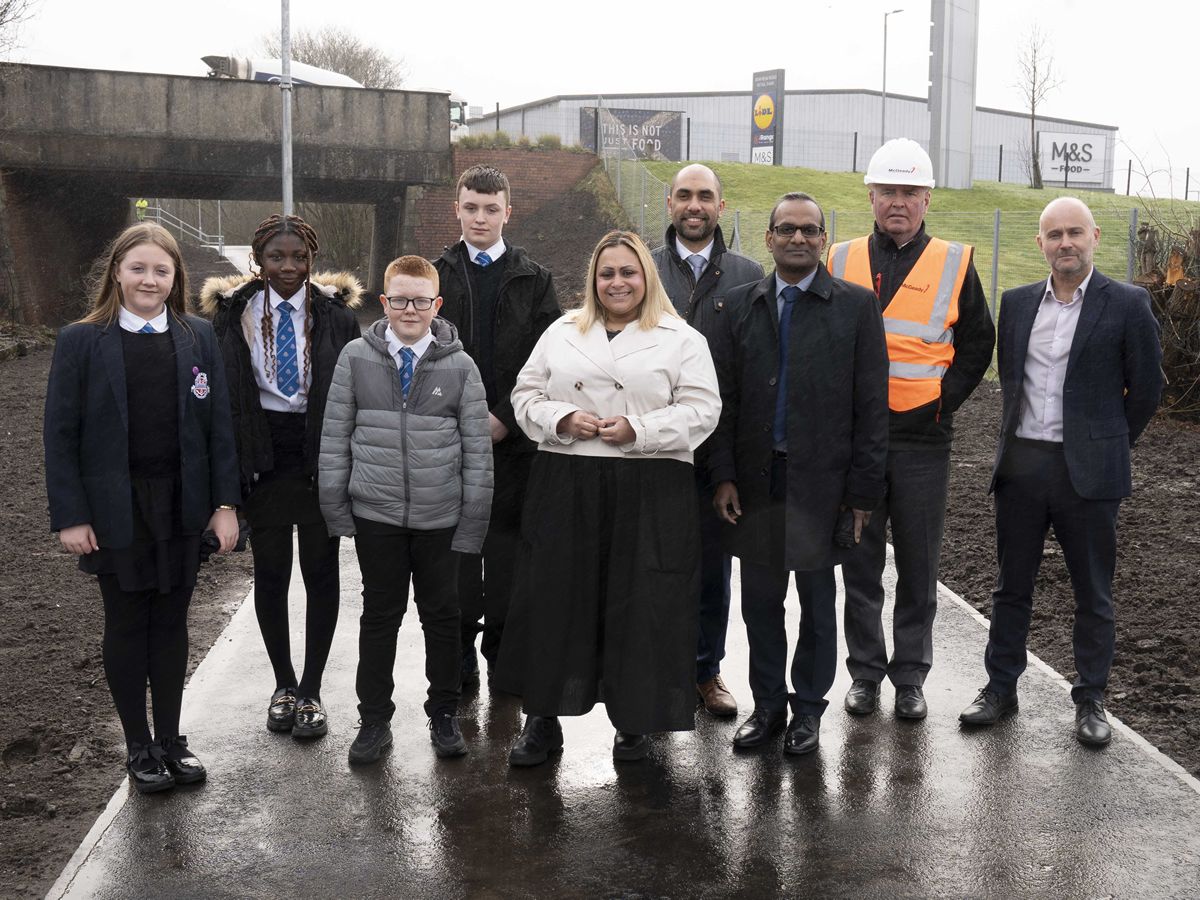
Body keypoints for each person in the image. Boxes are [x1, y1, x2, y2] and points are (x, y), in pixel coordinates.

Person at [495, 230, 721, 765]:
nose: (617, 282)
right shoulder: (561, 330)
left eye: (628, 272)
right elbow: (525, 395)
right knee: (556, 599)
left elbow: (703, 409)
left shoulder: (681, 337)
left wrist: (639, 431)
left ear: (646, 276)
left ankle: (636, 723)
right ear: (593, 281)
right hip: (566, 480)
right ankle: (543, 721)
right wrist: (563, 418)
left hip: (650, 486)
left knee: (640, 604)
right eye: (607, 273)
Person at [959, 197, 1163, 746]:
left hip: (1089, 475)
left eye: (1075, 232)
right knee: (1010, 587)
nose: (1065, 243)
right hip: (1023, 467)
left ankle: (1091, 699)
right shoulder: (1018, 303)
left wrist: (1108, 442)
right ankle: (1000, 688)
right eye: (1055, 234)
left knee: (1092, 591)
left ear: (1094, 236)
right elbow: (1012, 383)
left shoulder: (1127, 303)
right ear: (1040, 243)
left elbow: (1147, 389)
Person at [44, 223, 240, 793]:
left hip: (182, 505)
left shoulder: (198, 336)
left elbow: (218, 429)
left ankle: (173, 740)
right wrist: (72, 515)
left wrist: (225, 505)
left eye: (161, 270)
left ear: (176, 278)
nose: (149, 280)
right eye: (138, 269)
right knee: (128, 625)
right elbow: (61, 435)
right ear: (117, 274)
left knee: (172, 625)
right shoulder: (81, 340)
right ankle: (139, 746)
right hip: (115, 510)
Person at [708, 193, 889, 755]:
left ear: (824, 240)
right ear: (768, 238)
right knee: (760, 603)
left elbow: (871, 407)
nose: (799, 239)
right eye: (787, 229)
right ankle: (768, 706)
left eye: (811, 230)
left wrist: (861, 492)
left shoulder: (856, 307)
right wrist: (723, 475)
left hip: (824, 487)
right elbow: (724, 399)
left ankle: (808, 709)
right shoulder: (739, 306)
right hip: (759, 484)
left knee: (816, 603)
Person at [827, 138, 995, 721]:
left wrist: (944, 402)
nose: (898, 202)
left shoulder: (954, 261)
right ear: (870, 196)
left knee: (920, 565)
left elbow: (979, 341)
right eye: (888, 192)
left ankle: (911, 677)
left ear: (927, 199)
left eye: (909, 192)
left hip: (924, 440)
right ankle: (866, 675)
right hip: (857, 441)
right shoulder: (840, 257)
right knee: (861, 560)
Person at [319, 255, 493, 764]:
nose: (410, 309)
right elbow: (335, 437)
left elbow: (478, 454)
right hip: (377, 516)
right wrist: (338, 509)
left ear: (437, 304)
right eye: (400, 299)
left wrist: (472, 522)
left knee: (442, 617)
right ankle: (373, 720)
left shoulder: (460, 367)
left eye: (420, 300)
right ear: (384, 302)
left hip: (440, 518)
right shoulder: (356, 358)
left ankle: (443, 714)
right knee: (380, 616)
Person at [202, 215, 362, 740]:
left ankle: (313, 691)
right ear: (258, 261)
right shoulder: (234, 312)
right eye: (277, 257)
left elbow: (354, 388)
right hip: (263, 455)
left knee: (320, 574)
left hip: (319, 453)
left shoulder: (336, 314)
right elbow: (224, 394)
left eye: (299, 258)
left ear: (312, 260)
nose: (288, 267)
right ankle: (284, 685)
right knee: (271, 575)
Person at [433, 164, 560, 690]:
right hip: (449, 444)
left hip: (515, 449)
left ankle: (504, 654)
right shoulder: (434, 274)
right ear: (456, 210)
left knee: (509, 558)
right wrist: (461, 420)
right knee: (457, 556)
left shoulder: (535, 279)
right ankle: (460, 649)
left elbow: (550, 359)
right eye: (470, 207)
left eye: (491, 209)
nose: (480, 218)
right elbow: (418, 357)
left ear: (508, 212)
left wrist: (506, 419)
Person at [651, 163, 764, 719]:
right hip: (649, 449)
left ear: (721, 207)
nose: (694, 206)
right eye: (685, 196)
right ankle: (653, 671)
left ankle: (705, 671)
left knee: (713, 570)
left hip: (717, 453)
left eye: (705, 197)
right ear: (669, 203)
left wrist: (732, 465)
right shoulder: (642, 269)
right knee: (650, 566)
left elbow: (756, 367)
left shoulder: (747, 273)